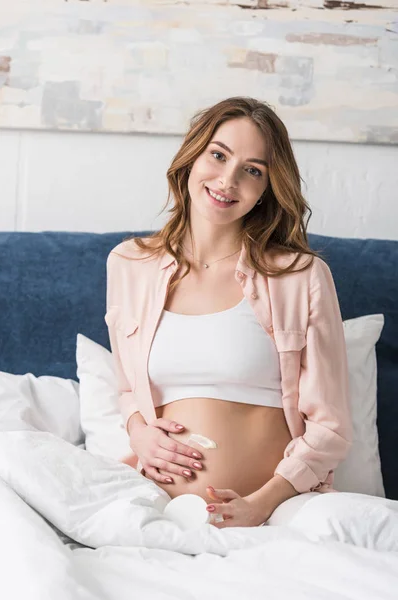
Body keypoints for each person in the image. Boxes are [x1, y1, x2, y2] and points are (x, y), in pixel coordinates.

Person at [105, 96, 353, 528]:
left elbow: (331, 427)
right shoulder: (130, 264)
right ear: (191, 158)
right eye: (218, 155)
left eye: (252, 170)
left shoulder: (301, 276)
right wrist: (139, 433)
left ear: (266, 190)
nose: (227, 180)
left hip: (273, 515)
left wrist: (261, 504)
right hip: (154, 510)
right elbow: (128, 388)